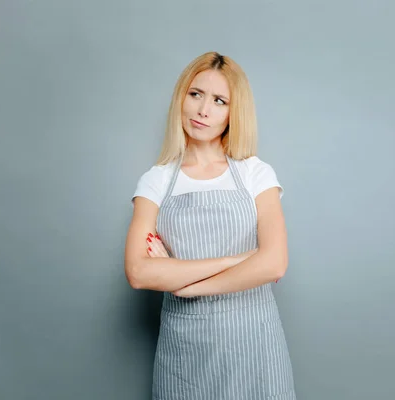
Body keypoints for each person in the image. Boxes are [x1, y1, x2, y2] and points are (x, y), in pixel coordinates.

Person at [124, 51, 296, 400]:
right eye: (196, 94)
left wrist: (185, 282)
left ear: (234, 113)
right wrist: (239, 261)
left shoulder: (254, 173)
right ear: (181, 98)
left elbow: (275, 263)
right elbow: (140, 273)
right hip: (185, 352)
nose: (203, 110)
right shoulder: (156, 181)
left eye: (219, 101)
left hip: (255, 346)